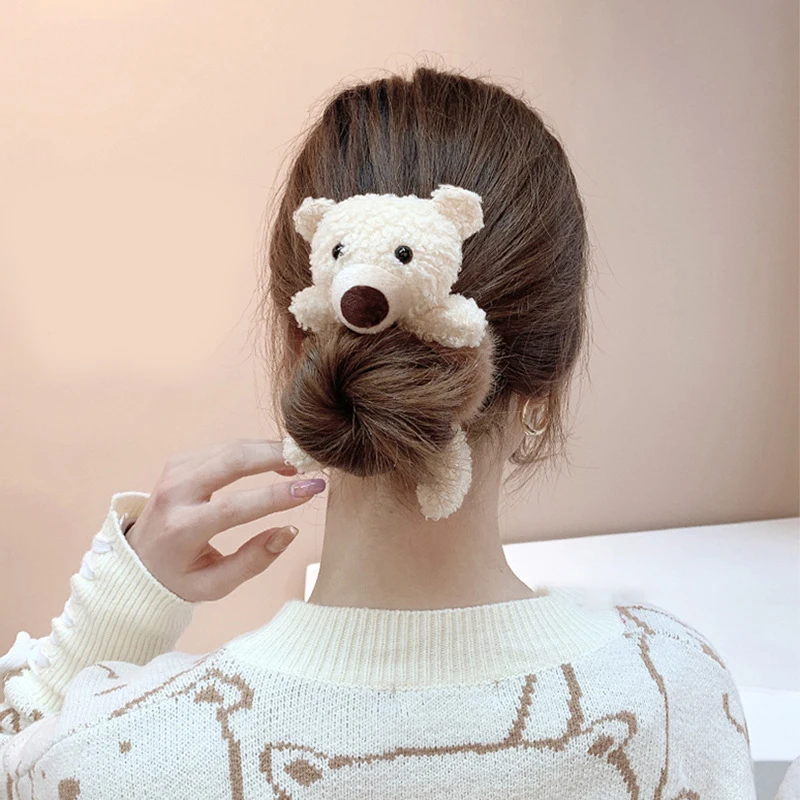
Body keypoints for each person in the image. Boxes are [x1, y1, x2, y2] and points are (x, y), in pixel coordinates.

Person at [1, 63, 758, 799]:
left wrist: (116, 612)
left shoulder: (110, 759)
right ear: (545, 383)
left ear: (303, 345)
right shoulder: (676, 702)